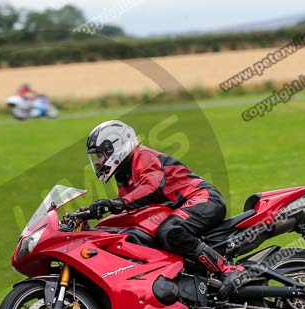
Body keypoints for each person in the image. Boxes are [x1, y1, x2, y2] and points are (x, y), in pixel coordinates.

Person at [85, 119, 244, 298]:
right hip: (184, 206)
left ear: (115, 147)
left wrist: (115, 203)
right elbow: (131, 211)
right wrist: (92, 220)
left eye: (99, 155)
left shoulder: (142, 157)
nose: (98, 162)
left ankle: (228, 269)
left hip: (202, 198)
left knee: (169, 231)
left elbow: (151, 187)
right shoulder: (123, 174)